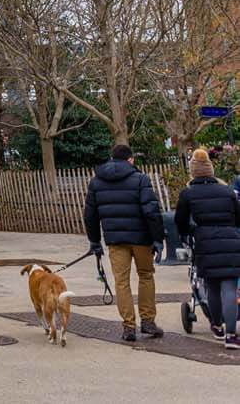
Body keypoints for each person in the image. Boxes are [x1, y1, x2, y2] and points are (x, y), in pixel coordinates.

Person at [84, 143, 165, 341]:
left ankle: (128, 326)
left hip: (115, 240)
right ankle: (148, 321)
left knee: (122, 282)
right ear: (131, 160)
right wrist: (157, 238)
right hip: (141, 239)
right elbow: (151, 211)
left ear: (112, 159)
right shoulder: (140, 179)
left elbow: (90, 215)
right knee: (146, 275)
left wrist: (95, 241)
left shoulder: (96, 182)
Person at [174, 148, 240, 349]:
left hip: (204, 241)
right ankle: (231, 335)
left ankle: (217, 326)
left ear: (193, 171)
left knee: (211, 285)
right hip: (230, 239)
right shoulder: (227, 190)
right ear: (211, 170)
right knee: (229, 287)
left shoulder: (188, 193)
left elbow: (180, 221)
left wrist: (190, 233)